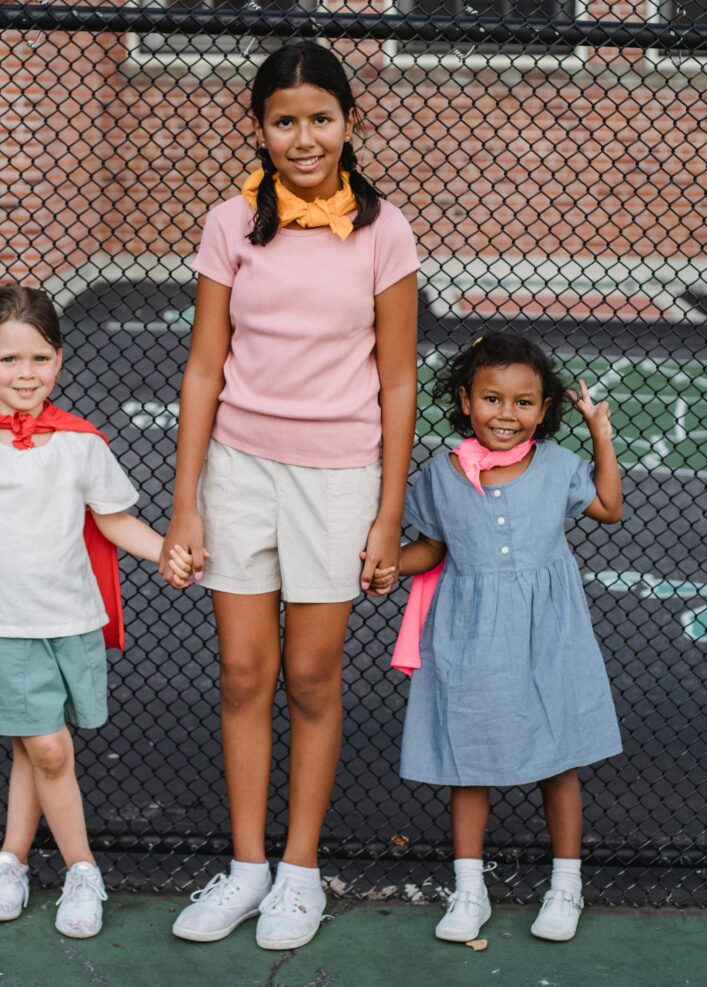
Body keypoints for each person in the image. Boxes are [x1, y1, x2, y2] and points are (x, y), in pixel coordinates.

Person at [161, 40, 419, 950]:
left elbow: (396, 382)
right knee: (243, 673)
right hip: (239, 470)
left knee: (310, 675)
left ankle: (299, 873)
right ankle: (245, 868)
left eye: (320, 118)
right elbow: (202, 367)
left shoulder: (386, 231)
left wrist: (388, 513)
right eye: (285, 120)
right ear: (261, 128)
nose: (303, 137)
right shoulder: (229, 222)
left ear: (350, 123)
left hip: (338, 479)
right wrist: (185, 499)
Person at [0, 285, 192, 939]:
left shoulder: (79, 443)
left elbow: (114, 519)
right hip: (2, 624)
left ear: (59, 361)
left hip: (68, 619)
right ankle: (82, 868)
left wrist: (167, 554)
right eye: (9, 360)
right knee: (49, 746)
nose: (25, 374)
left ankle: (11, 858)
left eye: (39, 358)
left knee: (33, 749)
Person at [374, 331, 623, 944]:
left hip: (549, 632)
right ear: (465, 400)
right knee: (469, 760)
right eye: (491, 399)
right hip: (470, 630)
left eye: (522, 403)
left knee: (558, 757)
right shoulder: (441, 472)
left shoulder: (561, 466)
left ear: (542, 410)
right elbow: (432, 546)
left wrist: (600, 434)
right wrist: (387, 565)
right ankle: (469, 891)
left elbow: (610, 508)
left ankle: (566, 886)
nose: (506, 414)